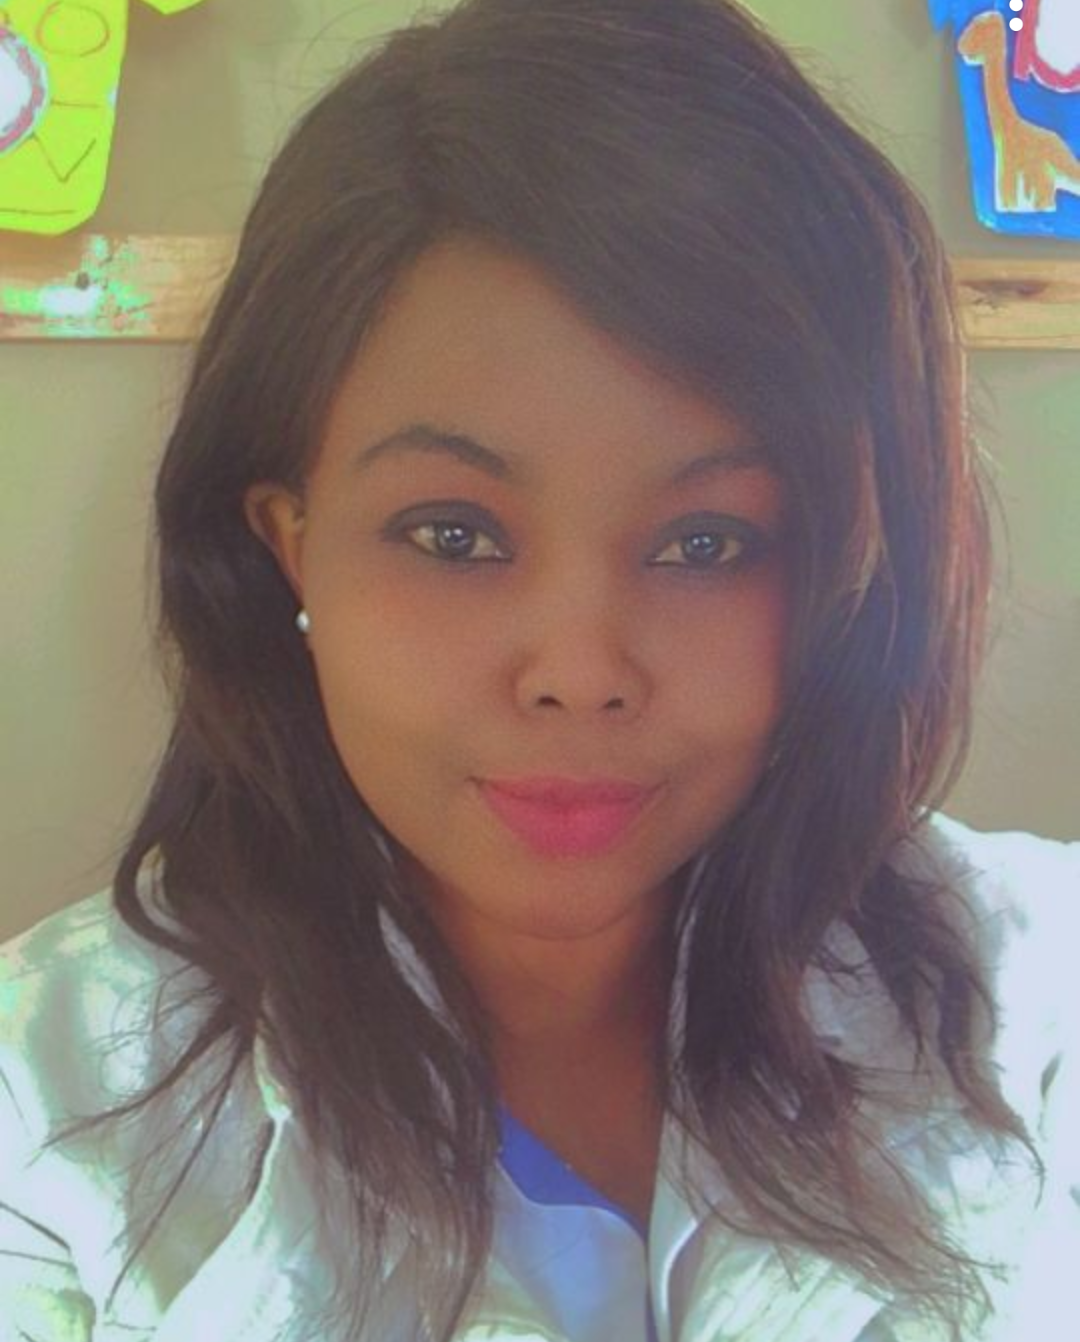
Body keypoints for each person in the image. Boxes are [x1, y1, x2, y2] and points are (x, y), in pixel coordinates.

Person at [1, 1, 1076, 1339]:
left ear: (852, 571)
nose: (580, 671)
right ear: (291, 548)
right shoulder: (44, 1121)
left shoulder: (1039, 1012)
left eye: (706, 542)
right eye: (453, 535)